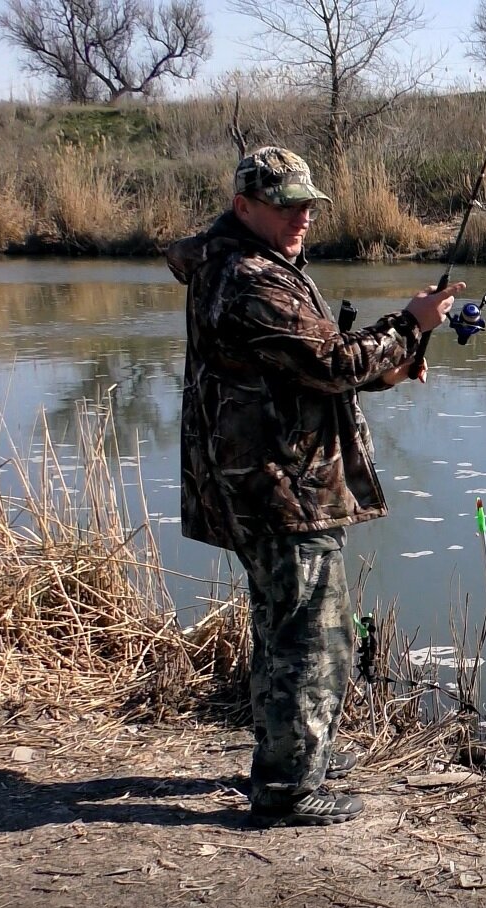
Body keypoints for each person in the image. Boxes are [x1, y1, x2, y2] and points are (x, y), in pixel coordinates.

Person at [166, 146, 464, 827]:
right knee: (313, 637)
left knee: (284, 626)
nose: (301, 216)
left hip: (257, 475)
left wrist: (382, 368)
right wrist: (408, 328)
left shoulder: (238, 262)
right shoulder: (249, 277)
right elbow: (330, 361)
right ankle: (290, 789)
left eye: (307, 204)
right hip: (277, 485)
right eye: (285, 205)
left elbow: (300, 368)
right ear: (245, 207)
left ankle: (299, 753)